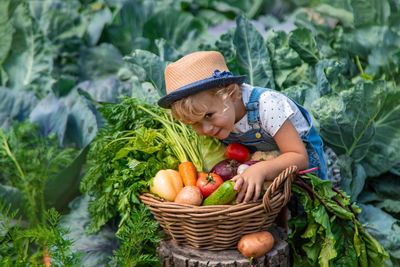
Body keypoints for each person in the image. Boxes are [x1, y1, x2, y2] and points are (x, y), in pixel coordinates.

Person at [158, 51, 328, 205]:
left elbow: (299, 158)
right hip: (270, 179)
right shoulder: (222, 115)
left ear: (231, 94)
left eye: (209, 115)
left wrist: (260, 169)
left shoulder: (267, 106)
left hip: (303, 173)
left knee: (306, 212)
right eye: (195, 124)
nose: (207, 129)